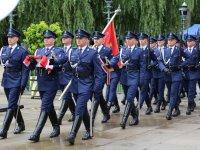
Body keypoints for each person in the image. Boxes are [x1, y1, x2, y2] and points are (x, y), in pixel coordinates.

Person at [28, 30, 66, 142]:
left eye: (49, 38)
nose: (46, 40)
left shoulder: (58, 50)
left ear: (53, 39)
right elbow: (32, 67)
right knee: (48, 106)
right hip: (41, 81)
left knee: (44, 106)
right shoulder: (39, 50)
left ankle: (36, 133)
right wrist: (30, 61)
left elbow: (62, 61)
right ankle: (56, 127)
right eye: (45, 38)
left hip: (52, 82)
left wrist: (51, 63)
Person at [66, 29, 102, 145]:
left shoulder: (92, 53)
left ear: (87, 40)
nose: (78, 40)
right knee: (82, 109)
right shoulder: (74, 52)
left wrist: (97, 88)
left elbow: (99, 73)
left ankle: (72, 134)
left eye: (81, 38)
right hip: (75, 84)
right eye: (77, 38)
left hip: (87, 84)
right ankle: (88, 129)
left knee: (79, 108)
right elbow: (70, 67)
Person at [0, 28, 29, 139]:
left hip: (17, 81)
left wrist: (23, 84)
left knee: (11, 105)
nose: (9, 39)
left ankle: (4, 130)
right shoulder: (4, 49)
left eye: (12, 37)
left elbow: (25, 69)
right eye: (8, 37)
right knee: (13, 104)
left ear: (17, 38)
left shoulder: (22, 51)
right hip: (7, 79)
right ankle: (21, 124)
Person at [159, 33, 183, 120]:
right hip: (167, 74)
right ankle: (177, 109)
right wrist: (163, 69)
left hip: (176, 74)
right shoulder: (164, 50)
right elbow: (160, 62)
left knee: (172, 94)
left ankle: (169, 112)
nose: (169, 41)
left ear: (175, 41)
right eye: (168, 40)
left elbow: (188, 58)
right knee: (172, 92)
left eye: (171, 40)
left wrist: (182, 65)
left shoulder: (179, 50)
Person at [120, 31, 140, 129]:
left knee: (130, 97)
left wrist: (142, 80)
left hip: (134, 76)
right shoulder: (123, 49)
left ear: (135, 41)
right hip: (124, 77)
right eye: (126, 39)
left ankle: (124, 120)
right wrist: (109, 64)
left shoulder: (139, 51)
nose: (127, 40)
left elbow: (143, 67)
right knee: (129, 98)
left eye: (130, 39)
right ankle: (135, 117)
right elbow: (118, 59)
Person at [57, 31, 75, 124]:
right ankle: (75, 113)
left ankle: (59, 118)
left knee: (66, 96)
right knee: (68, 97)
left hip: (69, 76)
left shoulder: (74, 50)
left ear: (70, 39)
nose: (63, 39)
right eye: (63, 37)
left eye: (66, 37)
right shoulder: (59, 49)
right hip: (60, 76)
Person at [181, 35, 200, 115]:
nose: (189, 42)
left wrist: (197, 66)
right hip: (185, 73)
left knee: (191, 90)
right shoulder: (184, 51)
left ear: (194, 42)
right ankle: (192, 102)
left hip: (193, 72)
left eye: (191, 41)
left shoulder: (197, 51)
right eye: (188, 41)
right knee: (187, 90)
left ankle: (189, 105)